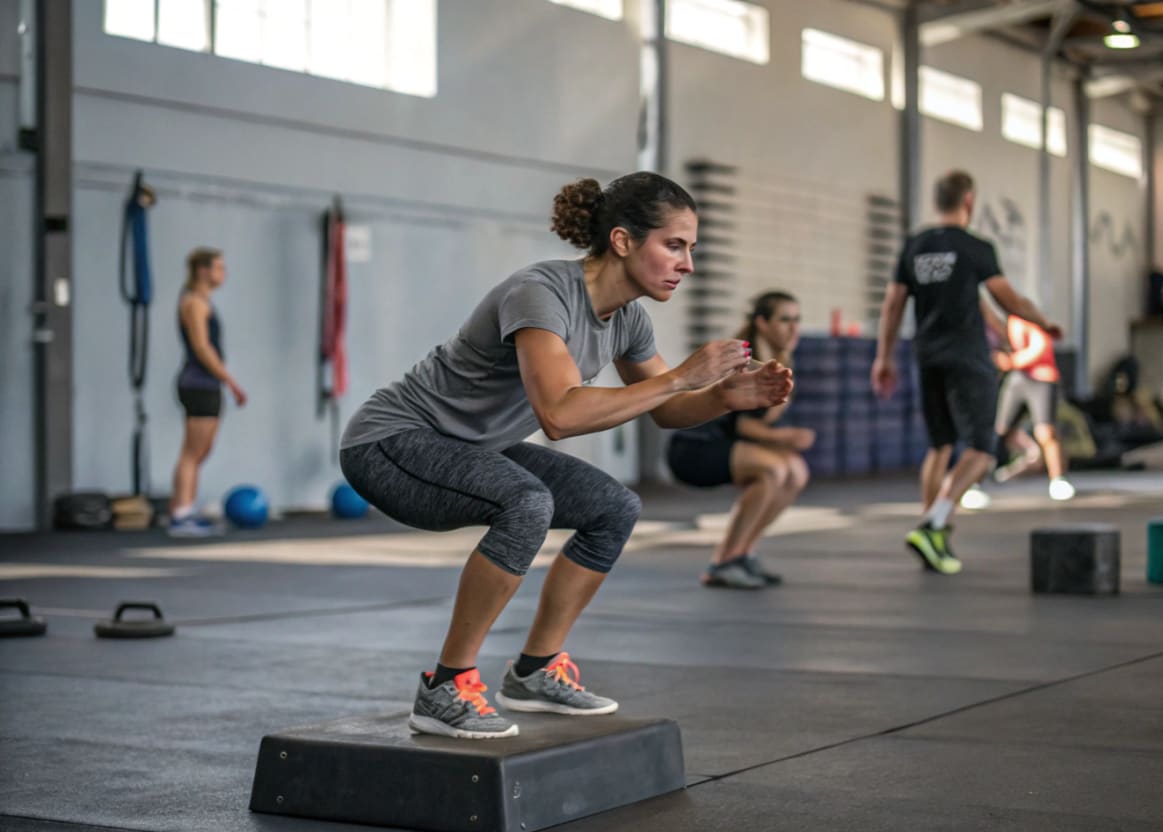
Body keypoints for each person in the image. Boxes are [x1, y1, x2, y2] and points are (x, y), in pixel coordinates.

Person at [339, 172, 792, 739]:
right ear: (623, 241)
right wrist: (680, 376)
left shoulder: (627, 319)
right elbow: (559, 415)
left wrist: (725, 397)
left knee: (613, 507)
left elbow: (667, 409)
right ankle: (445, 687)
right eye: (674, 246)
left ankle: (534, 670)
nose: (688, 264)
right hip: (390, 443)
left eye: (691, 249)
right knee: (527, 501)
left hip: (472, 446)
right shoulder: (541, 293)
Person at [872, 170, 1061, 574]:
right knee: (981, 449)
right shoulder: (975, 247)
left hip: (927, 354)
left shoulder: (915, 245)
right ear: (969, 201)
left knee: (939, 446)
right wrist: (1043, 323)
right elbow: (1009, 300)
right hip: (967, 357)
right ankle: (933, 524)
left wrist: (883, 358)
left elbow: (892, 306)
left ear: (937, 200)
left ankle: (930, 535)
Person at [667, 291, 813, 588]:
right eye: (785, 320)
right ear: (762, 323)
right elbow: (745, 426)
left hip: (726, 444)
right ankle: (724, 561)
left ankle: (743, 553)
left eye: (797, 320)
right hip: (694, 448)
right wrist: (786, 436)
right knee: (773, 470)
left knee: (796, 472)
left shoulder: (780, 360)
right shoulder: (747, 361)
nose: (794, 328)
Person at [168, 248, 247, 537]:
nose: (223, 273)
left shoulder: (201, 301)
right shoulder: (194, 303)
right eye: (219, 268)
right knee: (192, 452)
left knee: (201, 452)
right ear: (203, 270)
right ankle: (181, 516)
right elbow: (202, 348)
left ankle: (183, 508)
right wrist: (231, 381)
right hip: (198, 384)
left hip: (207, 384)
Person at [977, 300, 1076, 501]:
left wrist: (1012, 361)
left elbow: (1040, 347)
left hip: (1042, 377)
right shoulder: (1010, 323)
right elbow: (992, 319)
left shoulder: (1032, 321)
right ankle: (975, 482)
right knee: (999, 430)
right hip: (1019, 378)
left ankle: (1058, 479)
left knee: (1046, 432)